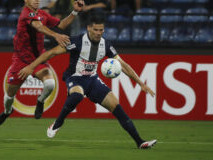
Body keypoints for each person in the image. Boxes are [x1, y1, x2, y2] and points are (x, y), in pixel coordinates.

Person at [18, 16, 157, 149]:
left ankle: (140, 142)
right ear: (88, 28)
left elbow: (123, 65)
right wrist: (31, 66)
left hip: (92, 80)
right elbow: (51, 53)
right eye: (95, 29)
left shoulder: (106, 45)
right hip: (74, 77)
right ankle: (58, 123)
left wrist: (141, 83)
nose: (98, 33)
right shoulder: (77, 41)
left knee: (116, 106)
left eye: (101, 30)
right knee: (77, 95)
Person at [0, 0, 85, 126]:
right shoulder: (26, 14)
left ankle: (40, 101)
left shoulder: (42, 14)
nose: (37, 0)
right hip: (21, 60)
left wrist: (74, 12)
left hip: (38, 58)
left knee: (50, 83)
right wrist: (56, 35)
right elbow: (38, 26)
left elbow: (61, 25)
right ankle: (7, 111)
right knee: (9, 95)